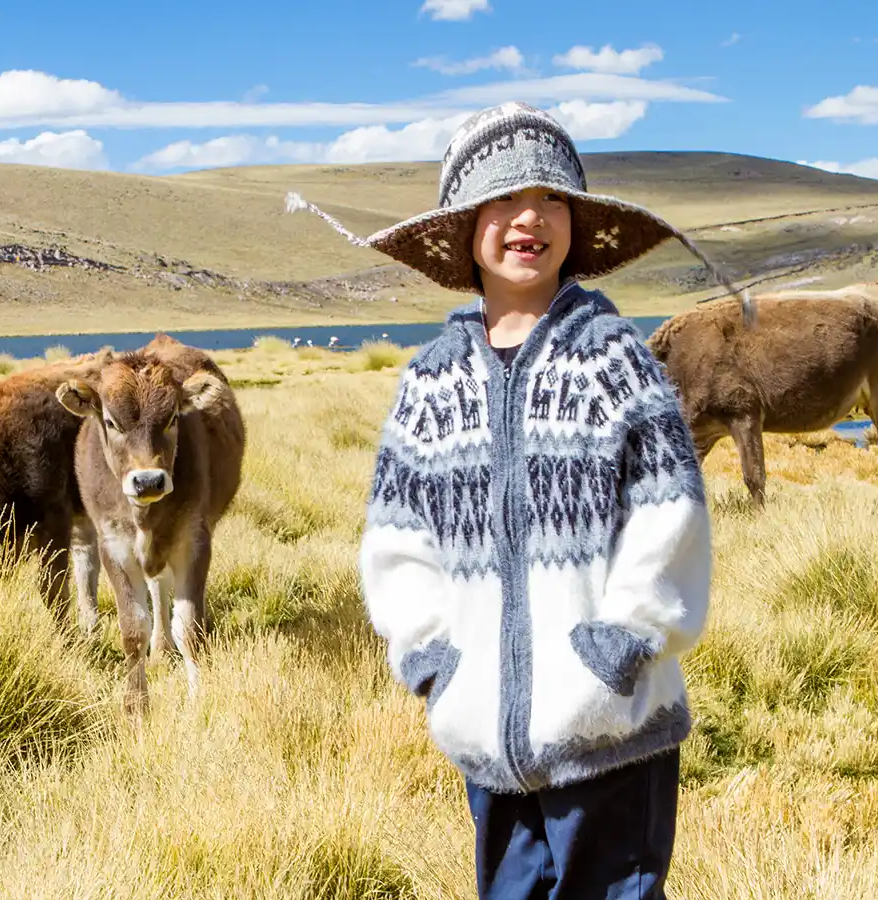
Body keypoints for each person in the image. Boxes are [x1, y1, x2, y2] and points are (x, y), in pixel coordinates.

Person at [286, 102, 741, 900]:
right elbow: (399, 537)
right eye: (500, 200)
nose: (528, 216)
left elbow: (669, 516)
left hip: (614, 726)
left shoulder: (614, 360)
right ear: (463, 229)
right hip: (485, 731)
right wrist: (431, 659)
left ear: (578, 225)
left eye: (551, 199)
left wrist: (623, 647)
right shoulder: (430, 379)